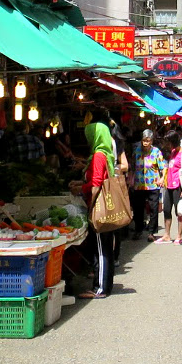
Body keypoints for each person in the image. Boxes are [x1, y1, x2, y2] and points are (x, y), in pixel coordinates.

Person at [77, 121, 121, 298]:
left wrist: (82, 191)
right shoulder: (107, 154)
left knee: (102, 249)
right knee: (104, 248)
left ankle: (101, 288)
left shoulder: (98, 156)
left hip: (99, 208)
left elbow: (96, 184)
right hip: (105, 205)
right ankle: (102, 285)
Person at [156, 132, 182, 245]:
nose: (168, 145)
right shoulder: (173, 152)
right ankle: (167, 235)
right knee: (166, 210)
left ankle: (179, 236)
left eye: (169, 142)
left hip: (178, 186)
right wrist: (162, 178)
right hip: (169, 184)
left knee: (179, 211)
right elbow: (167, 167)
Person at [132, 129, 166, 240]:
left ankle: (151, 232)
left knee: (153, 208)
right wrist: (131, 178)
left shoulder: (156, 152)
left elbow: (164, 167)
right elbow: (132, 166)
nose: (146, 143)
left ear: (151, 141)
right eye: (144, 140)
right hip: (139, 184)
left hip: (153, 184)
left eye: (148, 140)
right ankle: (138, 229)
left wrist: (162, 178)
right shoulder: (137, 151)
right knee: (138, 208)